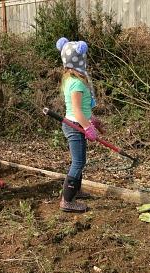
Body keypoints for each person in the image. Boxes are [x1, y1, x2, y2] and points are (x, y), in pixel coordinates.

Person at [55, 37, 105, 213]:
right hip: (75, 126)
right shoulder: (76, 83)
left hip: (78, 123)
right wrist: (87, 127)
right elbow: (76, 110)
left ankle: (76, 190)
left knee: (80, 161)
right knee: (78, 162)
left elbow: (82, 108)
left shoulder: (71, 78)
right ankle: (67, 201)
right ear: (80, 61)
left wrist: (92, 120)